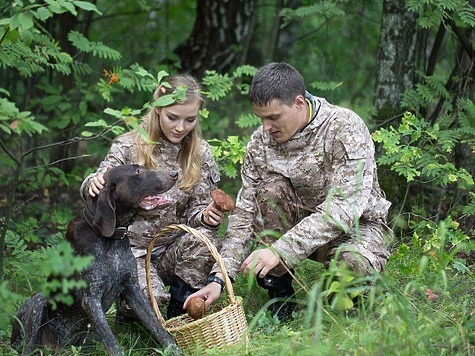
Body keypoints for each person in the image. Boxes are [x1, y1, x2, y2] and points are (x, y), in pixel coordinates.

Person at [185, 62, 394, 320]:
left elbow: (344, 209)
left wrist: (281, 250)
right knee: (270, 191)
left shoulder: (344, 127)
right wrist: (220, 277)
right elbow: (245, 214)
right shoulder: (260, 143)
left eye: (273, 117)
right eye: (261, 118)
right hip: (298, 225)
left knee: (347, 282)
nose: (265, 127)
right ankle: (280, 297)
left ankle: (354, 289)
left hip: (358, 228)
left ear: (298, 102)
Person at [81, 74, 225, 319]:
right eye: (173, 118)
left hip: (172, 248)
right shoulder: (128, 146)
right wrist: (91, 184)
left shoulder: (200, 153)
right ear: (158, 109)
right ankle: (131, 308)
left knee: (203, 239)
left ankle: (181, 312)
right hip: (130, 252)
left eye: (190, 120)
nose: (181, 127)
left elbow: (196, 212)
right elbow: (99, 182)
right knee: (150, 302)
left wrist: (206, 216)